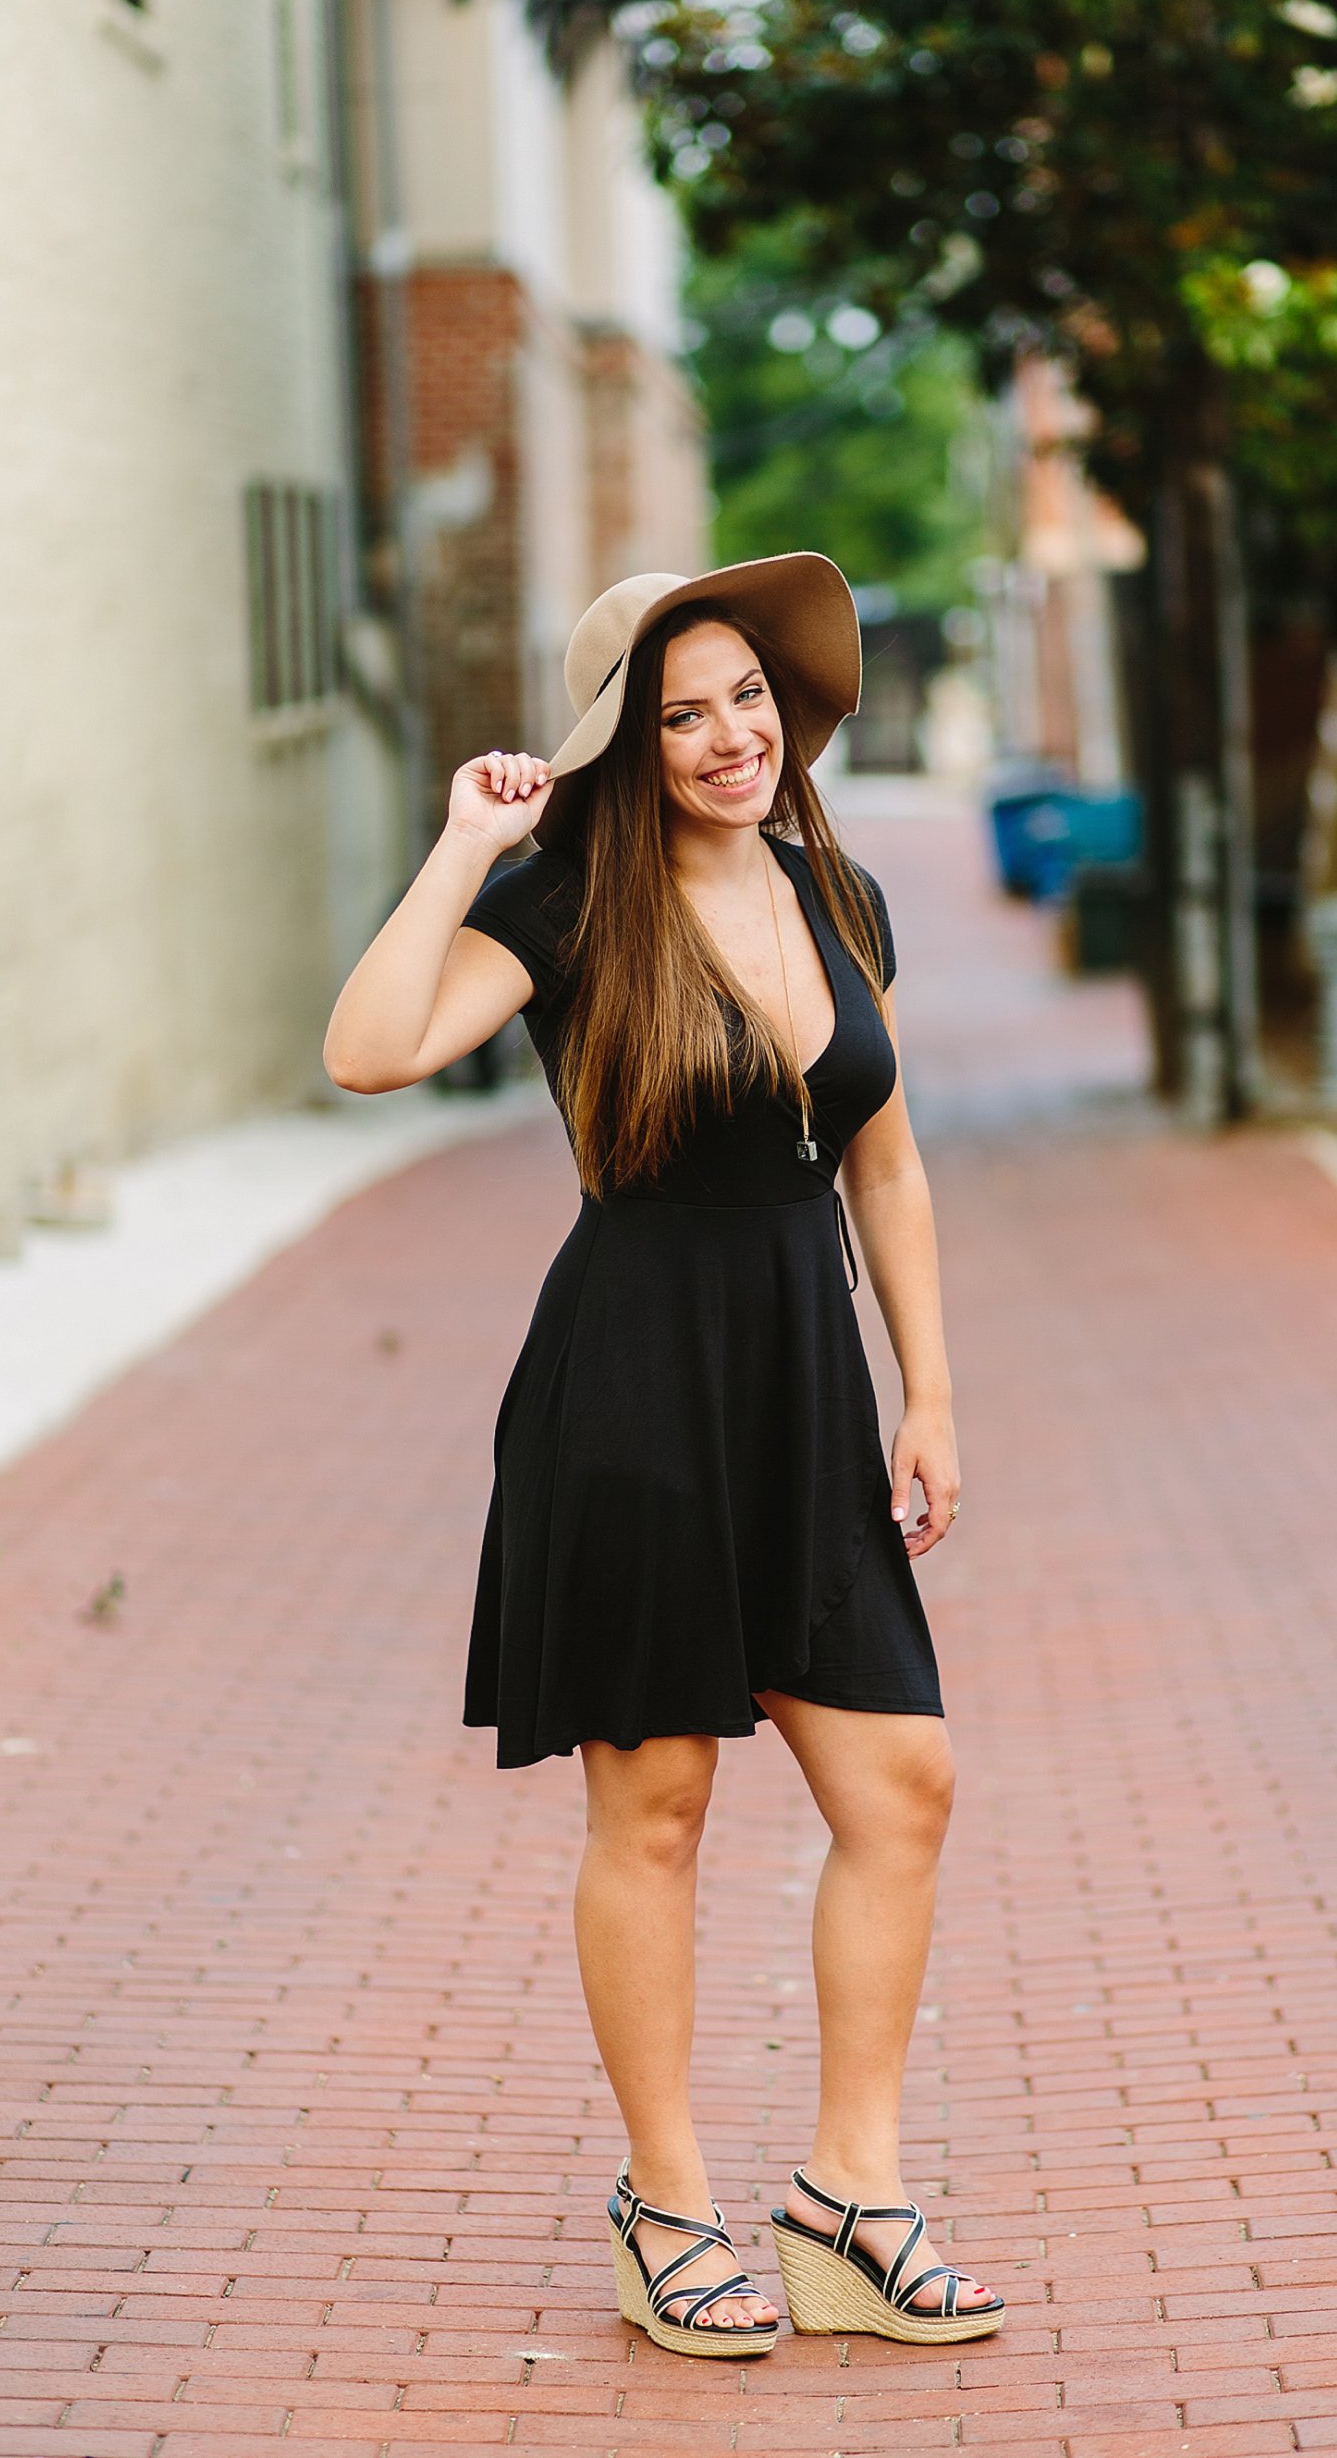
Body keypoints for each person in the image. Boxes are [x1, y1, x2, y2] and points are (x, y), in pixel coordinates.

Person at [323, 562, 1005, 2356]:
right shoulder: (563, 907)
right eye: (684, 708)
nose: (730, 735)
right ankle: (670, 2196)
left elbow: (889, 1166)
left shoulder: (835, 891)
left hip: (805, 1398)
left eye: (750, 698)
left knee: (904, 1785)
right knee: (663, 1808)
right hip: (630, 1398)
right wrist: (466, 845)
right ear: (628, 738)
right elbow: (369, 1048)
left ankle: (850, 2199)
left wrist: (927, 1393)